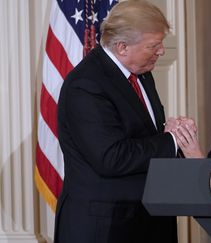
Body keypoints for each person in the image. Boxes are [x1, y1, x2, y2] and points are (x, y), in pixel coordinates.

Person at [55, 1, 182, 242]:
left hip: (146, 219)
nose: (162, 51)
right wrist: (173, 140)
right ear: (122, 47)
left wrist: (171, 135)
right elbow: (111, 157)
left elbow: (142, 135)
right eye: (154, 45)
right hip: (104, 227)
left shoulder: (141, 73)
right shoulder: (86, 85)